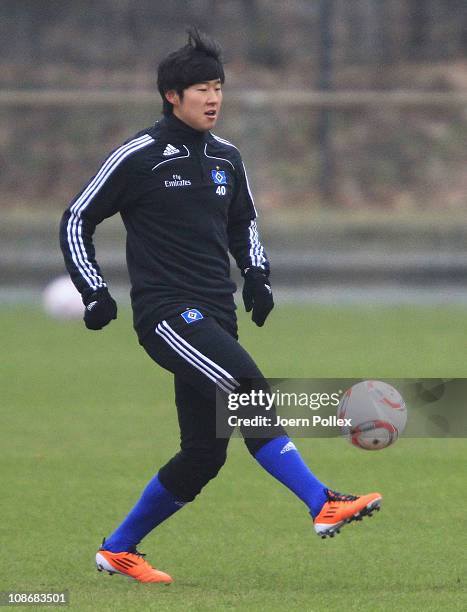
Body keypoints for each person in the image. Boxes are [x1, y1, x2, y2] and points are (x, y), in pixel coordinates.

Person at [59, 28, 381, 584]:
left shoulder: (227, 158)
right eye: (201, 88)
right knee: (248, 387)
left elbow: (244, 223)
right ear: (171, 96)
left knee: (204, 455)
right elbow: (76, 218)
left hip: (216, 314)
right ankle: (321, 502)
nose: (213, 98)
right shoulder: (141, 155)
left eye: (218, 86)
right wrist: (93, 289)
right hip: (167, 316)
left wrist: (256, 274)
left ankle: (118, 549)